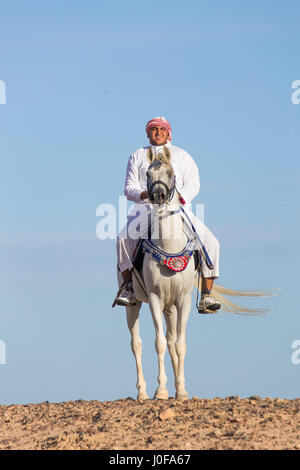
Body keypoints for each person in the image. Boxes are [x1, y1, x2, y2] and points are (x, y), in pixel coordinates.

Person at [115, 116, 221, 313]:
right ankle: (127, 287)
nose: (157, 132)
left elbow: (193, 183)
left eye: (161, 129)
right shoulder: (137, 155)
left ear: (168, 133)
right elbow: (129, 187)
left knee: (212, 242)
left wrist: (181, 197)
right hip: (146, 207)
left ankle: (206, 295)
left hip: (177, 208)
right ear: (147, 133)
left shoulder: (181, 155)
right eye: (153, 129)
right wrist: (144, 194)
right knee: (123, 238)